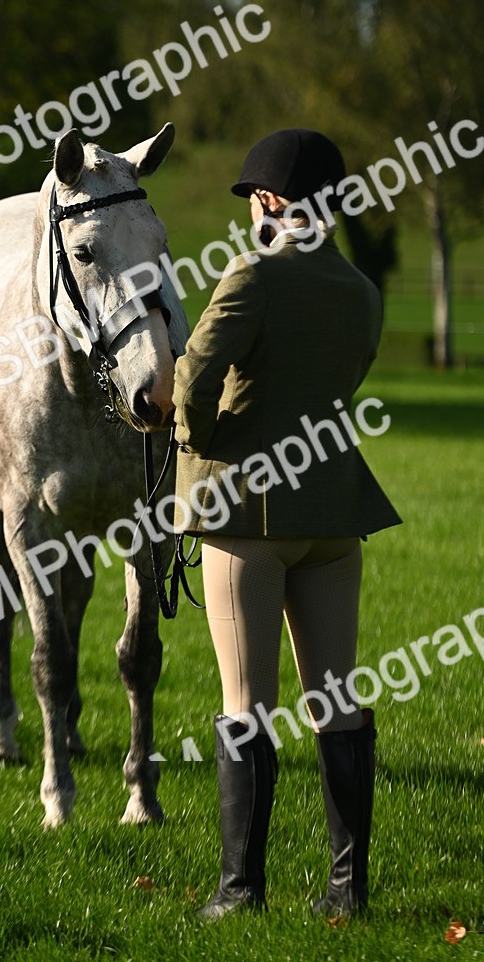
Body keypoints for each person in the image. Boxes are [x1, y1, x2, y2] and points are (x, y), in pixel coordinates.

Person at [171, 128, 401, 922]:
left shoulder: (253, 274)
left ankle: (241, 892)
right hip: (334, 514)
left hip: (249, 513)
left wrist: (196, 444)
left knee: (246, 704)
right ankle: (347, 891)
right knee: (337, 703)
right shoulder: (362, 291)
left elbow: (194, 374)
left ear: (270, 202)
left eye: (254, 200)